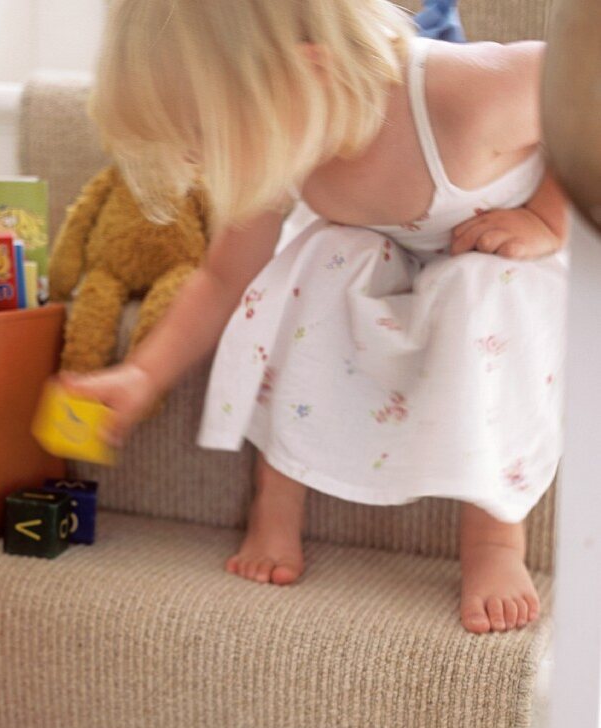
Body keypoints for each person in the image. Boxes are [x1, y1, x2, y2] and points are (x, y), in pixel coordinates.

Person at [54, 0, 567, 634]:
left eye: (205, 137)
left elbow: (588, 97)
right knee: (321, 255)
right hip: (405, 259)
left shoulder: (468, 93)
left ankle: (494, 533)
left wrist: (546, 217)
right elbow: (222, 279)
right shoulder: (286, 133)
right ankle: (278, 493)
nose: (199, 164)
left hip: (513, 269)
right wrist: (142, 374)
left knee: (483, 286)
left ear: (307, 72)